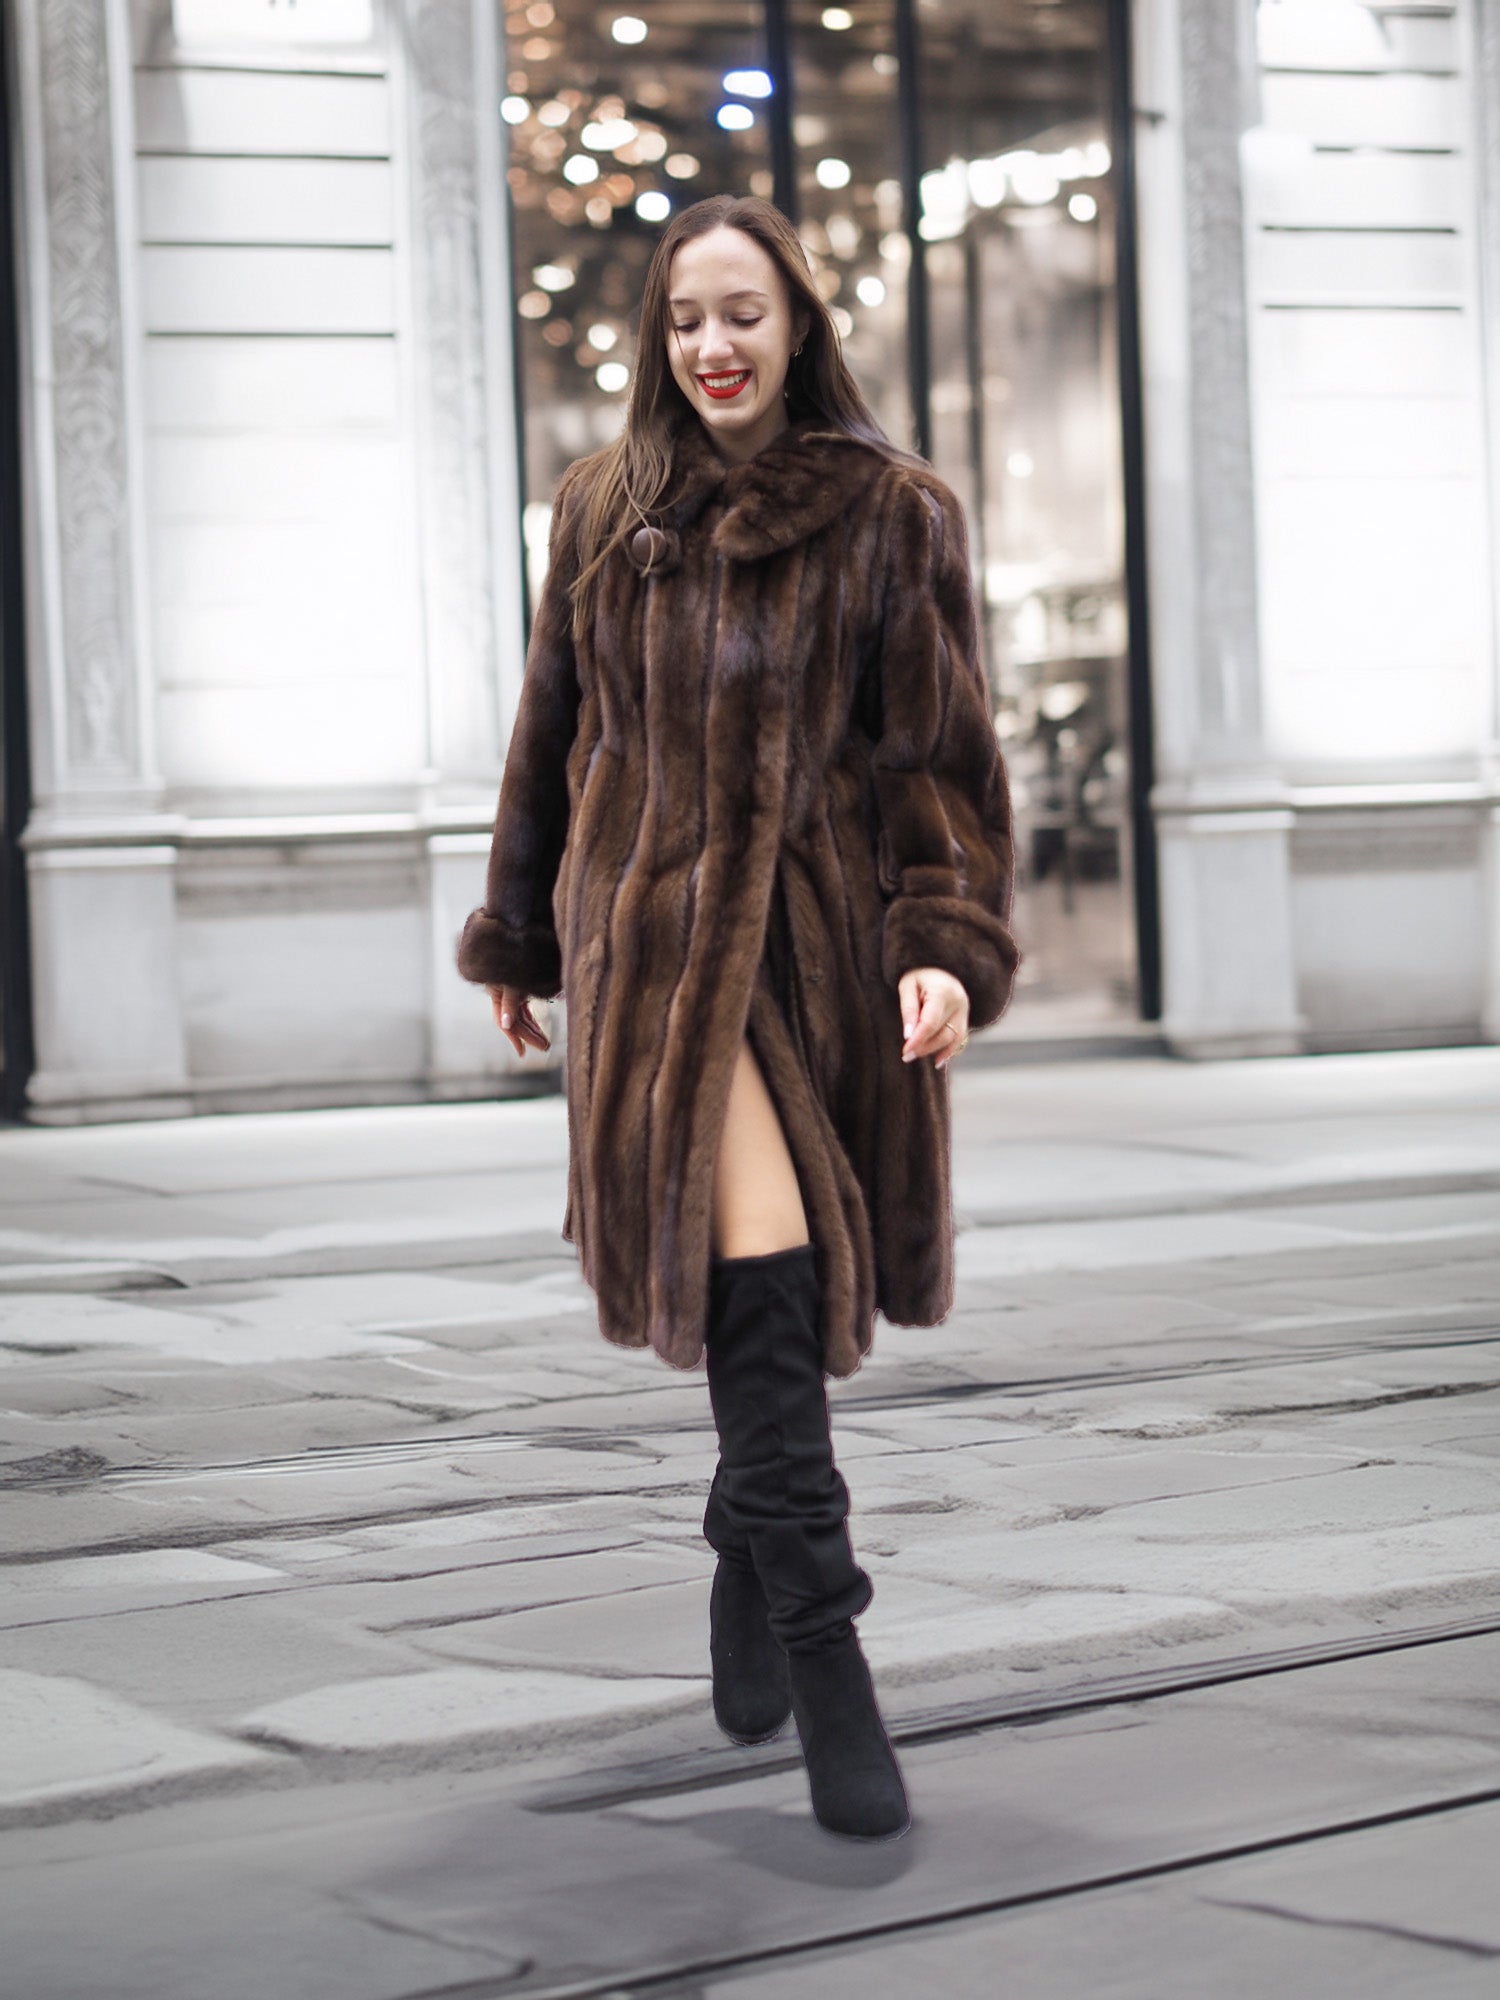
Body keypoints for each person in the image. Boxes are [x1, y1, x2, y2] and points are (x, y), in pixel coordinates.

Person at [456, 193, 1019, 1841]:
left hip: (818, 958)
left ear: (798, 327)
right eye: (688, 316)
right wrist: (518, 935)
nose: (715, 345)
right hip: (649, 960)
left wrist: (941, 937)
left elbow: (941, 763)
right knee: (760, 1281)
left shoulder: (893, 514)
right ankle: (832, 1664)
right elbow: (553, 731)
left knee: (766, 1313)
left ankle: (741, 1536)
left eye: (745, 315)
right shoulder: (600, 507)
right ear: (658, 334)